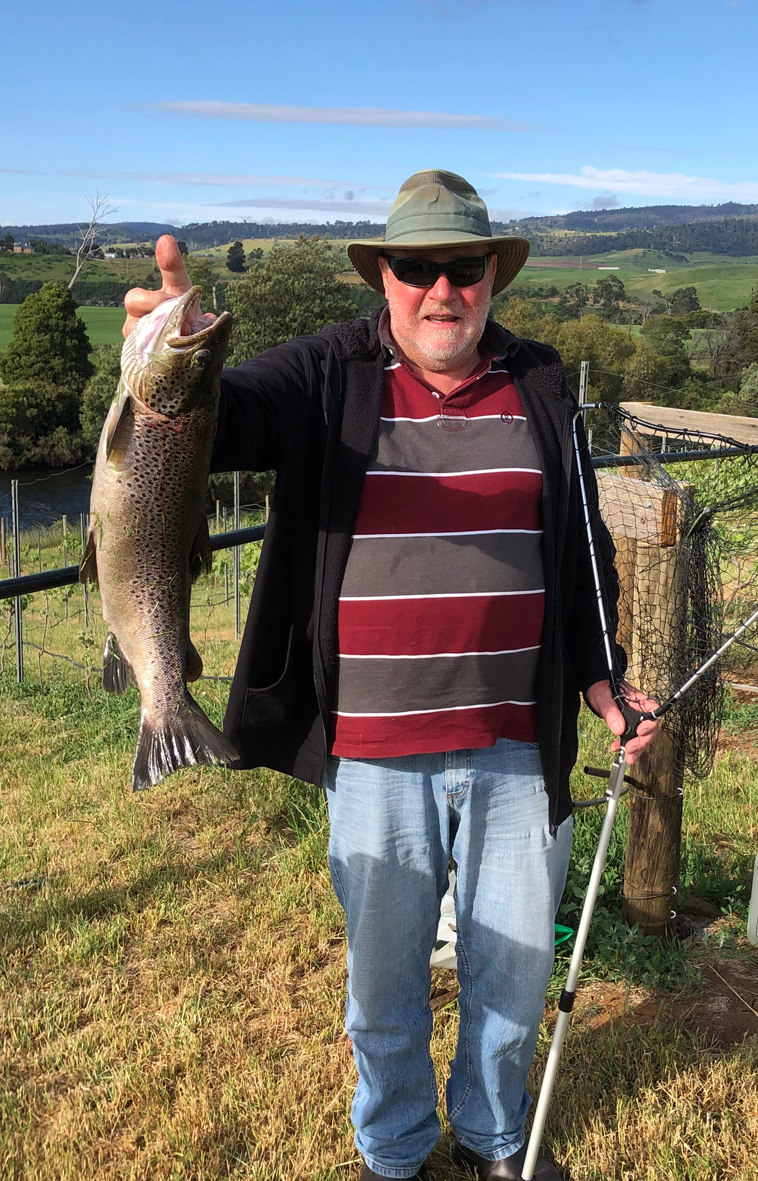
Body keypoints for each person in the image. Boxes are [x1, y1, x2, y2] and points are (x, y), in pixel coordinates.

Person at [124, 170, 658, 1181]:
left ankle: (495, 1135)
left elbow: (583, 546)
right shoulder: (329, 370)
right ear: (384, 276)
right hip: (373, 751)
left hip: (517, 740)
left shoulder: (540, 381)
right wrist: (172, 358)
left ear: (492, 274)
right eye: (417, 267)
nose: (441, 290)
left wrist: (602, 677)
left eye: (464, 267)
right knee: (383, 983)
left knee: (513, 968)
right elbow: (227, 419)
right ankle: (396, 1147)